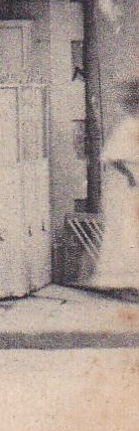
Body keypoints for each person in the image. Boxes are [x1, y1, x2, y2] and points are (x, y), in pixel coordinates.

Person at [89, 78, 139, 291]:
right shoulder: (128, 125)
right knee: (124, 231)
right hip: (125, 183)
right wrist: (129, 175)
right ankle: (119, 281)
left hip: (134, 180)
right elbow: (111, 156)